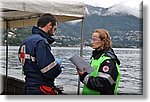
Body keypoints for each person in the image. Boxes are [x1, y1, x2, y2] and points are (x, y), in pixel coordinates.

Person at [18, 13, 62, 95]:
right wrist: (57, 67)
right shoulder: (41, 42)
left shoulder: (26, 40)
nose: (53, 33)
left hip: (29, 86)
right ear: (49, 25)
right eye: (54, 29)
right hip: (40, 89)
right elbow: (50, 71)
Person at [77, 29, 121, 95]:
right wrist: (82, 72)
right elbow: (92, 75)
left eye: (94, 40)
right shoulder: (96, 58)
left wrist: (83, 76)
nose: (92, 42)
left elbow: (102, 84)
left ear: (103, 41)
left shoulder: (108, 61)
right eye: (92, 39)